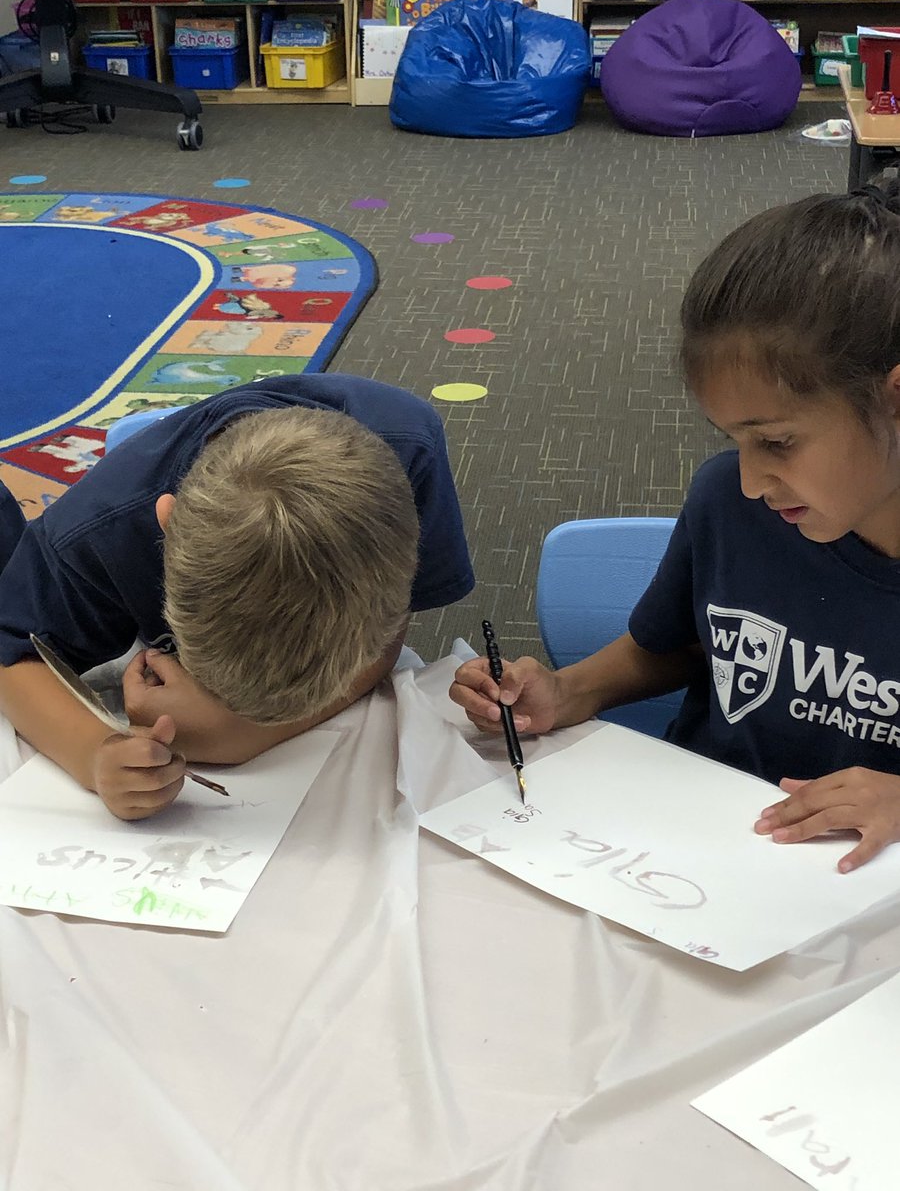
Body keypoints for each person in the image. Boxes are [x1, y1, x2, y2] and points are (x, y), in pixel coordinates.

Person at [452, 180, 900, 874]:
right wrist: (566, 691)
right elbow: (678, 646)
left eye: (777, 442)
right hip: (694, 860)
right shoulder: (733, 502)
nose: (752, 479)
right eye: (736, 440)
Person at [0, 374, 473, 820]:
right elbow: (9, 650)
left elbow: (387, 629)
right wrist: (94, 753)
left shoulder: (410, 456)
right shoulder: (100, 529)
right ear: (166, 525)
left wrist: (242, 734)